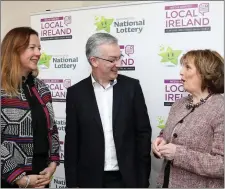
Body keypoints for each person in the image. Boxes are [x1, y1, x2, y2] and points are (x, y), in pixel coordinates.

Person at [64, 32, 152, 188]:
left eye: (119, 58)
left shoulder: (132, 88)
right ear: (94, 61)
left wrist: (143, 179)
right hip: (90, 180)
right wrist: (72, 183)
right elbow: (72, 141)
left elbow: (143, 134)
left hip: (126, 179)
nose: (118, 64)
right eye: (112, 60)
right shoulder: (76, 93)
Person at [152, 49, 224, 188]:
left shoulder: (220, 109)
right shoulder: (179, 104)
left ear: (205, 74)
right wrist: (161, 141)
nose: (181, 72)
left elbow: (221, 165)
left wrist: (178, 154)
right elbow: (169, 134)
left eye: (188, 67)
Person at [1, 27, 60, 188]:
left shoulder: (41, 88)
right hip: (9, 179)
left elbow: (52, 129)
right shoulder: (2, 89)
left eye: (39, 48)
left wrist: (53, 164)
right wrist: (19, 179)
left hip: (41, 176)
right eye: (32, 48)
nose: (38, 53)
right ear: (14, 50)